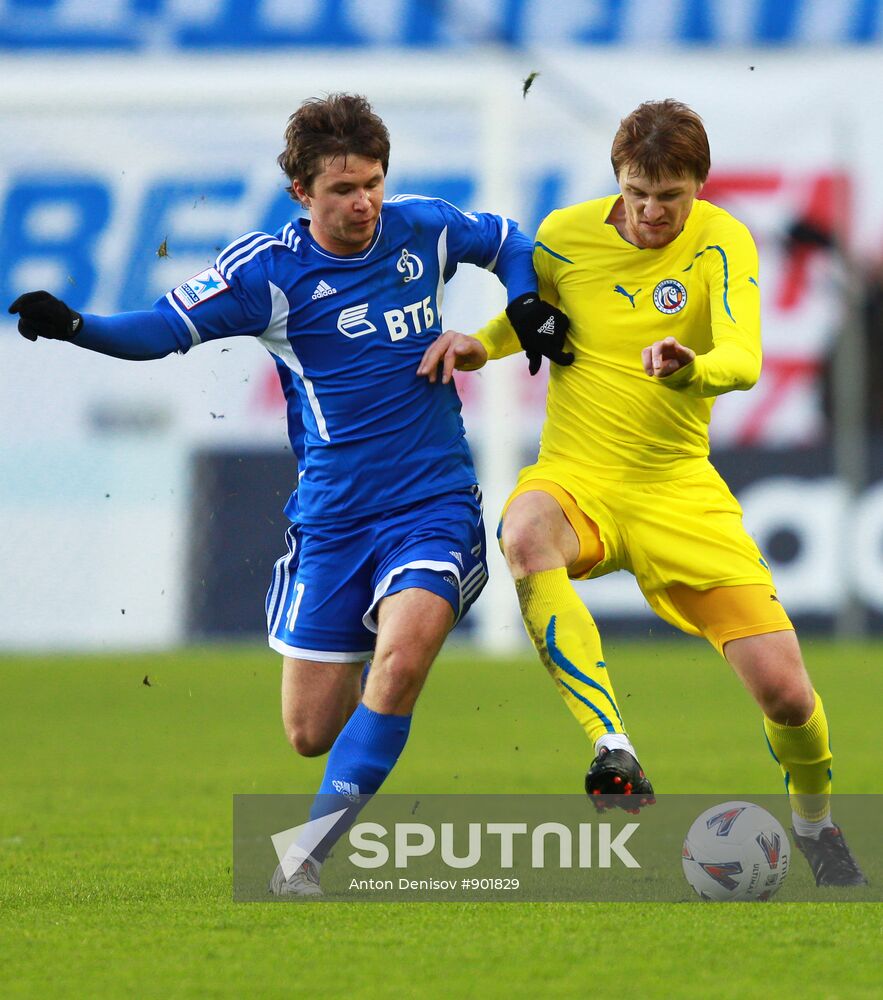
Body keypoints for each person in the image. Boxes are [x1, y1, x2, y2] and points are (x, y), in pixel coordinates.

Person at [8, 93, 568, 897]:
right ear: (301, 193)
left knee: (402, 660)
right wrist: (74, 326)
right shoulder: (267, 272)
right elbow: (161, 331)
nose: (364, 202)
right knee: (308, 733)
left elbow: (508, 239)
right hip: (334, 522)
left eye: (372, 181)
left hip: (432, 503)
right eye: (342, 189)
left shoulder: (418, 227)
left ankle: (305, 855)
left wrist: (516, 307)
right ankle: (375, 698)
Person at [418, 99, 866, 887]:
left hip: (675, 490)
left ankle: (817, 829)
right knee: (523, 535)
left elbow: (743, 356)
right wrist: (477, 345)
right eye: (636, 193)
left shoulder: (720, 240)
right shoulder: (563, 234)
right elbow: (537, 318)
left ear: (699, 185)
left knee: (789, 697)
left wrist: (689, 363)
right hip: (576, 474)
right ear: (617, 181)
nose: (652, 211)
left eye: (670, 196)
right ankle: (610, 746)